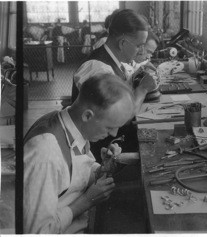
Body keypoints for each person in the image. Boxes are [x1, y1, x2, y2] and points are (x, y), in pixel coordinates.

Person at [24, 74, 135, 233]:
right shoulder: (45, 152)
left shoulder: (71, 125)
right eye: (109, 127)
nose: (113, 134)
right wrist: (87, 201)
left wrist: (103, 169)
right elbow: (36, 231)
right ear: (87, 115)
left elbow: (75, 176)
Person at [72, 9, 156, 159]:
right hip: (99, 151)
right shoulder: (98, 68)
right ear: (123, 43)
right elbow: (123, 117)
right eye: (139, 45)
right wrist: (143, 89)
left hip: (111, 141)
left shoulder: (115, 62)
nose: (141, 51)